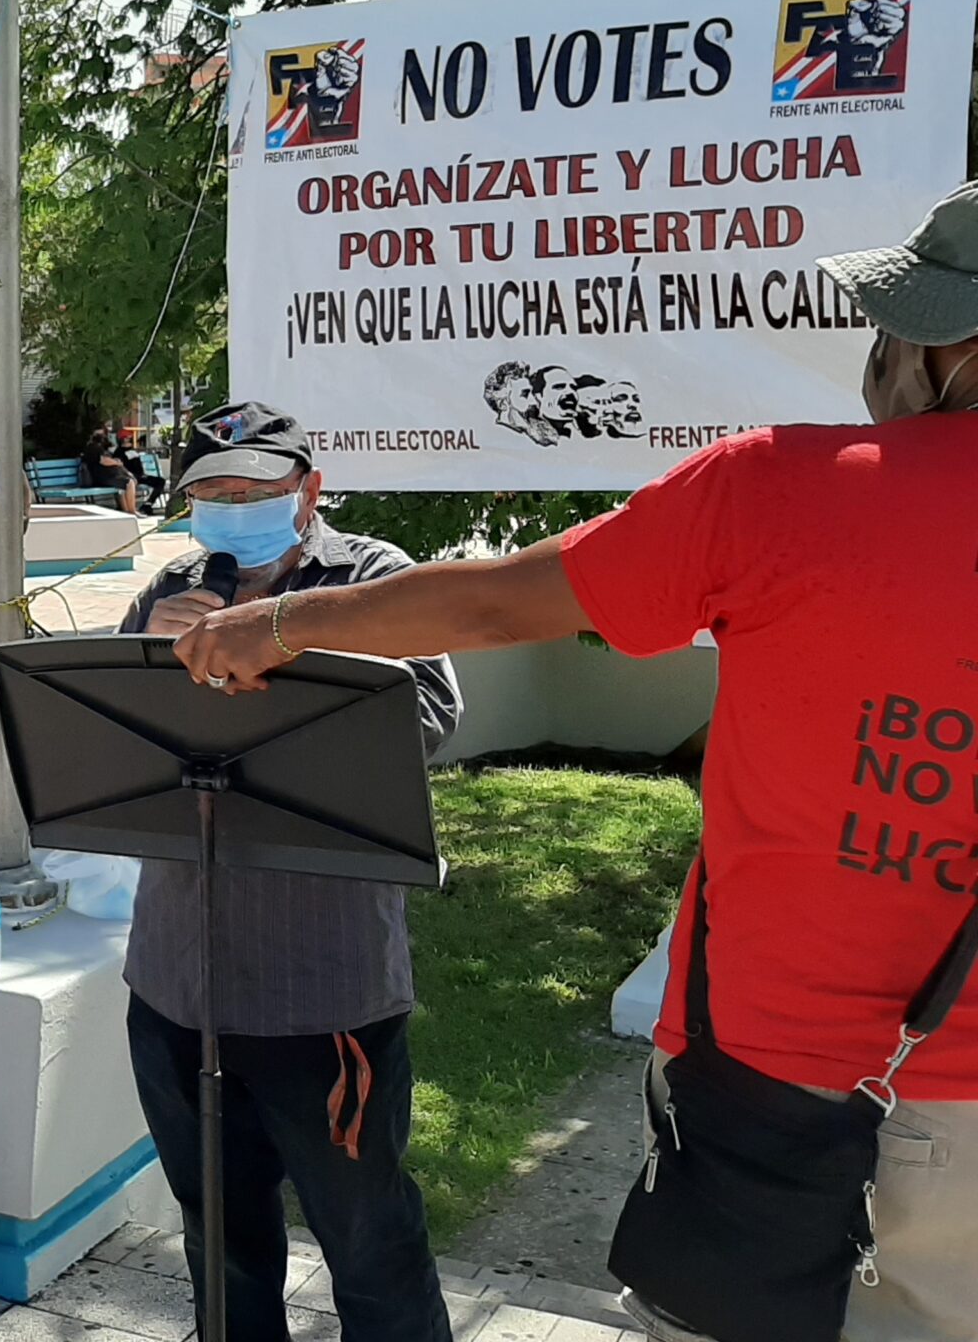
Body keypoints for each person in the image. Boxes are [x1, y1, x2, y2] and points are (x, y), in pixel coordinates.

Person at [174, 186, 978, 1341]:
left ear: (947, 348)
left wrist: (285, 626)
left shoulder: (781, 490)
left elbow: (500, 603)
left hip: (781, 1088)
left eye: (898, 325)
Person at [117, 401, 462, 1342]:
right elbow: (112, 743)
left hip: (322, 990)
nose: (234, 509)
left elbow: (428, 717)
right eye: (213, 494)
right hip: (177, 985)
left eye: (256, 490)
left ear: (309, 492)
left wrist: (281, 640)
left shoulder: (373, 577)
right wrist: (151, 656)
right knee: (220, 1242)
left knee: (370, 1243)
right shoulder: (169, 589)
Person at [80, 419, 136, 512]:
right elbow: (103, 461)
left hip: (105, 477)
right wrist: (116, 462)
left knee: (124, 484)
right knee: (129, 483)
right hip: (101, 478)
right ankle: (132, 511)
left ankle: (127, 511)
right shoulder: (93, 447)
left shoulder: (97, 446)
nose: (104, 434)